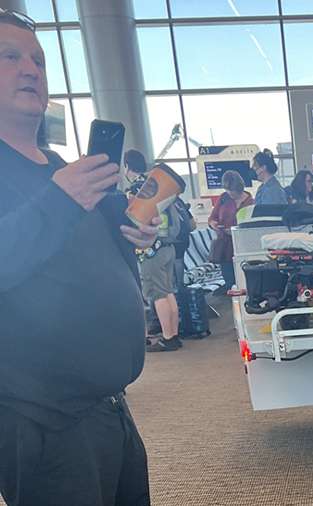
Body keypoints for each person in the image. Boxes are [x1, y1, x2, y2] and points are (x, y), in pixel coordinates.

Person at [0, 10, 158, 505]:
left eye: (39, 61)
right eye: (9, 56)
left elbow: (91, 265)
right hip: (43, 421)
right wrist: (58, 202)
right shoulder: (55, 184)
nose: (31, 69)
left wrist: (132, 234)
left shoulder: (66, 169)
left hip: (111, 408)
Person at [140, 163, 185, 352]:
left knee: (158, 294)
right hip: (169, 248)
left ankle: (167, 337)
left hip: (154, 252)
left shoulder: (151, 200)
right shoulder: (170, 200)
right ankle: (173, 334)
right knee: (168, 292)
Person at [209, 170, 254, 289]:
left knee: (244, 279)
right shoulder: (224, 198)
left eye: (232, 192)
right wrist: (214, 225)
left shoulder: (250, 202)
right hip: (225, 247)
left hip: (243, 245)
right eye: (227, 191)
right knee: (229, 282)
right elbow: (212, 218)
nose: (230, 194)